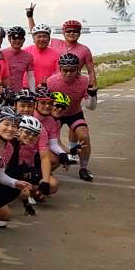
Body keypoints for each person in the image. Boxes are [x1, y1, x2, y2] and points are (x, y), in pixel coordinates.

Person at [45, 53, 96, 181]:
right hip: (56, 114)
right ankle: (45, 168)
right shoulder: (51, 81)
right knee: (52, 141)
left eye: (72, 70)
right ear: (60, 69)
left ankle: (83, 168)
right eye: (65, 70)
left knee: (84, 137)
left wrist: (92, 96)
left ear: (78, 69)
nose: (68, 73)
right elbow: (44, 104)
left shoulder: (84, 81)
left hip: (74, 113)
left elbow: (91, 107)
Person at [26, 6, 98, 89]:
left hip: (75, 85)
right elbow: (38, 35)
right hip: (55, 85)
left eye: (75, 31)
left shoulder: (85, 50)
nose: (71, 33)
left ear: (79, 33)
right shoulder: (55, 43)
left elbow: (91, 71)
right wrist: (30, 17)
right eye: (68, 31)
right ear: (63, 32)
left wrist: (93, 88)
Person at [11, 114, 58, 201]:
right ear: (18, 130)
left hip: (27, 167)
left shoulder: (41, 129)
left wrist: (45, 182)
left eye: (35, 134)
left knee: (52, 185)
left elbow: (45, 157)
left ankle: (28, 192)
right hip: (12, 170)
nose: (31, 137)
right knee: (23, 192)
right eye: (27, 132)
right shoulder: (9, 140)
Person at [3, 26, 36, 91]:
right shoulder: (1, 54)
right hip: (2, 91)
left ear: (24, 40)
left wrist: (33, 92)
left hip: (18, 92)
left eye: (20, 38)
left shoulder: (28, 56)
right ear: (9, 39)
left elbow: (31, 77)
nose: (17, 40)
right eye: (14, 38)